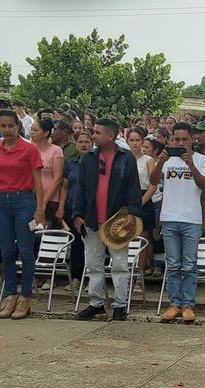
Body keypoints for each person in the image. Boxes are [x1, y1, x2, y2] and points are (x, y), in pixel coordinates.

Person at [71, 119, 144, 322]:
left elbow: (133, 187)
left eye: (97, 132)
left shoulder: (126, 157)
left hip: (117, 221)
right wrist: (77, 214)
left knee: (120, 264)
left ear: (110, 136)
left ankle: (120, 305)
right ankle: (96, 304)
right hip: (92, 220)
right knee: (94, 264)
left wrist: (132, 212)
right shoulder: (88, 158)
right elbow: (80, 188)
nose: (93, 136)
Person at [0, 110, 46, 320]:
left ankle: (25, 296)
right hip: (1, 202)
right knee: (6, 251)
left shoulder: (29, 149)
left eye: (11, 126)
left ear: (18, 126)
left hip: (24, 200)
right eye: (3, 126)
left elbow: (38, 182)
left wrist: (40, 209)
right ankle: (10, 294)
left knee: (25, 251)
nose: (7, 130)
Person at [151, 122, 205, 323]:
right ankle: (174, 303)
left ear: (192, 139)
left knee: (189, 265)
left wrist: (190, 164)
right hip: (169, 218)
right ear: (170, 140)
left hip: (191, 219)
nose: (180, 143)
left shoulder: (202, 160)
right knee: (173, 264)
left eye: (184, 139)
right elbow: (153, 181)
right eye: (176, 139)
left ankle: (188, 305)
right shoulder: (166, 160)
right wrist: (160, 161)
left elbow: (204, 185)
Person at [60, 131, 93, 291]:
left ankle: (92, 279)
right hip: (73, 209)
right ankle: (76, 278)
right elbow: (65, 186)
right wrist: (61, 207)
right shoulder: (71, 163)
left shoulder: (97, 163)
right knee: (77, 245)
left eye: (87, 142)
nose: (84, 145)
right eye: (81, 142)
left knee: (93, 246)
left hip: (91, 210)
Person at [30, 119, 64, 229]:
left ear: (46, 133)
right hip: (30, 197)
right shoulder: (29, 149)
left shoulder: (56, 150)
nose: (32, 133)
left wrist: (43, 203)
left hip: (50, 199)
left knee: (46, 232)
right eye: (31, 130)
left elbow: (57, 178)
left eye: (35, 130)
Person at [137, 133, 160, 276]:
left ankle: (145, 268)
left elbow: (153, 184)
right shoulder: (126, 158)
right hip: (129, 197)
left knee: (146, 237)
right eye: (131, 140)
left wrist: (140, 202)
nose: (135, 143)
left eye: (138, 140)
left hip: (145, 198)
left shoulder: (149, 160)